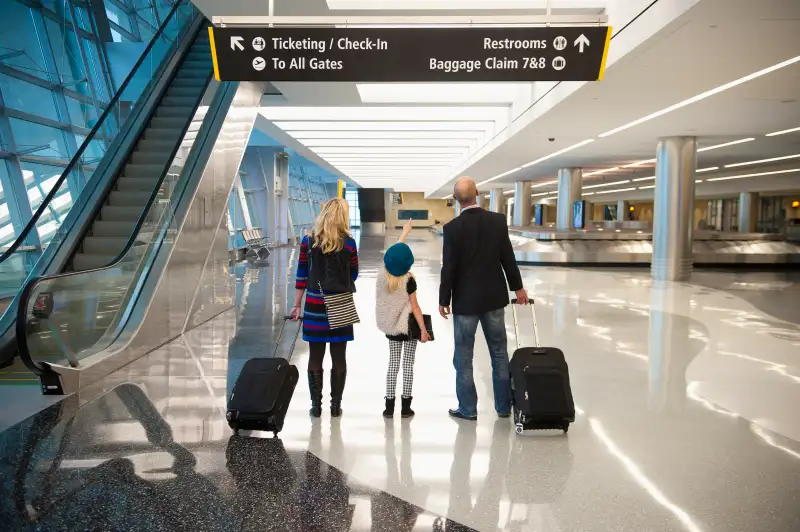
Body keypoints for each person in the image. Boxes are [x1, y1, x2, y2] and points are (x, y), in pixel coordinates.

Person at [439, 177, 528, 421]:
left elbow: (449, 268)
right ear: (477, 193)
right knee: (499, 353)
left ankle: (468, 409)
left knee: (464, 356)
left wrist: (443, 299)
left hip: (466, 302)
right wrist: (518, 288)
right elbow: (507, 258)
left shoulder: (452, 228)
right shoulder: (497, 222)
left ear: (456, 199)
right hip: (493, 298)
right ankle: (503, 407)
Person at [291, 197, 359, 418]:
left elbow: (302, 275)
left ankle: (316, 406)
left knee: (315, 356)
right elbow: (354, 275)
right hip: (341, 304)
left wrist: (296, 305)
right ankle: (336, 406)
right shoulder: (348, 243)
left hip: (315, 305)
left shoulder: (308, 241)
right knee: (339, 357)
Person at [375, 220, 431, 419]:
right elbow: (415, 307)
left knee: (393, 366)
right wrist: (423, 330)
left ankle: (389, 408)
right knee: (408, 367)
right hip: (408, 329)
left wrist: (403, 234)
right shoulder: (409, 280)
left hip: (392, 328)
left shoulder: (383, 275)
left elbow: (392, 256)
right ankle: (406, 408)